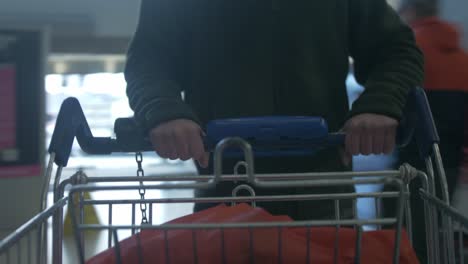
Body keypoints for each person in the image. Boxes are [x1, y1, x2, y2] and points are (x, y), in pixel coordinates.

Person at [125, 0, 423, 221]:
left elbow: (397, 50)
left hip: (322, 191)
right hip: (225, 189)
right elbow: (149, 59)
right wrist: (164, 110)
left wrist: (379, 105)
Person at [383, 0, 468, 261]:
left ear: (409, 12)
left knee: (402, 239)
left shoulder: (409, 54)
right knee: (435, 233)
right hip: (448, 167)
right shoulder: (462, 58)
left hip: (409, 166)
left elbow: (391, 112)